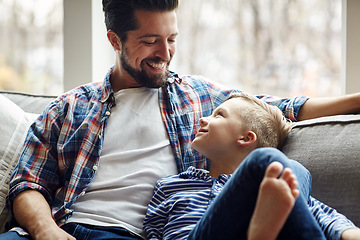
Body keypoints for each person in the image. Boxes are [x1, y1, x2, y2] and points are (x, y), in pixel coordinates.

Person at [2, 0, 360, 239]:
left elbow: (283, 107)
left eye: (171, 38)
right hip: (64, 226)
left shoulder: (198, 97)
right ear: (115, 40)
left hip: (130, 234)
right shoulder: (70, 107)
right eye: (150, 40)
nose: (165, 52)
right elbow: (28, 182)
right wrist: (45, 230)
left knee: (275, 166)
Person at [142, 93, 354, 240]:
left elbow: (329, 220)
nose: (203, 119)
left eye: (219, 115)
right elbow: (152, 232)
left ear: (245, 138)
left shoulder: (272, 189)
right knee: (289, 169)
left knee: (292, 176)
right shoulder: (170, 185)